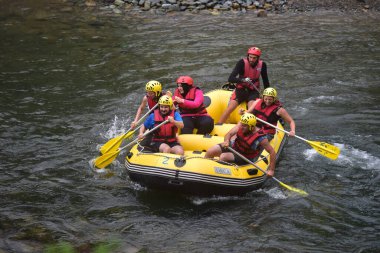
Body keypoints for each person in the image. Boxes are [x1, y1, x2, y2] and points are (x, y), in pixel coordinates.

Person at [205, 113, 276, 177]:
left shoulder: (261, 138)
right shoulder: (241, 125)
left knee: (224, 157)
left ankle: (219, 176)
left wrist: (271, 170)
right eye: (242, 124)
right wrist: (226, 141)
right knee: (211, 151)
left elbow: (272, 152)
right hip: (235, 146)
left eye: (244, 126)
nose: (241, 127)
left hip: (245, 156)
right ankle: (205, 171)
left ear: (251, 127)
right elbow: (229, 134)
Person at [217, 46, 270, 124]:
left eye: (254, 58)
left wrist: (267, 94)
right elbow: (231, 78)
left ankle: (249, 128)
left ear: (258, 58)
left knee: (252, 110)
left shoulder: (262, 65)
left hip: (253, 91)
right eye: (250, 57)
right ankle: (219, 124)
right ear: (248, 56)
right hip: (241, 90)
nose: (251, 60)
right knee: (230, 108)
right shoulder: (241, 63)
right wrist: (242, 80)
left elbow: (265, 81)